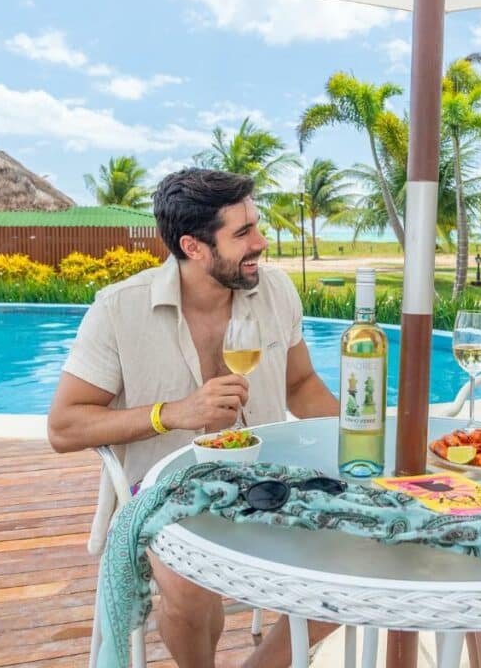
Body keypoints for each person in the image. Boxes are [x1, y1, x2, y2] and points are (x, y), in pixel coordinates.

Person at [48, 168, 338, 668]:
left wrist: (364, 436)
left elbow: (300, 385)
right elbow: (64, 426)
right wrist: (174, 414)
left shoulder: (274, 292)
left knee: (352, 565)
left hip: (272, 479)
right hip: (165, 491)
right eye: (243, 233)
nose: (261, 242)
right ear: (194, 246)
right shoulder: (120, 310)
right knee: (188, 586)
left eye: (257, 225)